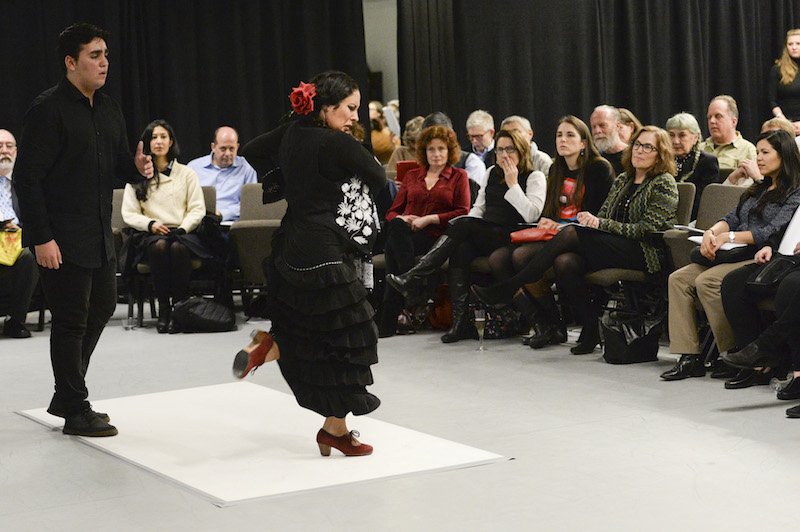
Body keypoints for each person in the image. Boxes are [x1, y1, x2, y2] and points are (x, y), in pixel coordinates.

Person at [235, 71, 386, 457]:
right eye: (350, 108)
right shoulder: (337, 143)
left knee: (317, 329)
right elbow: (378, 179)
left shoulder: (290, 134)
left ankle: (275, 349)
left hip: (289, 247)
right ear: (327, 107)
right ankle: (330, 423)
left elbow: (251, 147)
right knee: (351, 337)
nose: (355, 116)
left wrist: (284, 178)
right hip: (324, 250)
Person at [13, 23, 153, 437]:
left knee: (103, 307)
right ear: (71, 62)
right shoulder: (48, 109)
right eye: (95, 55)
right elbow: (27, 179)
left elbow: (117, 167)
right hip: (59, 235)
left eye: (106, 54)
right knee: (71, 320)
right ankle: (75, 408)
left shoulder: (109, 108)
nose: (104, 62)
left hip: (98, 231)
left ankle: (65, 394)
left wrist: (140, 169)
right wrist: (41, 238)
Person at [472, 126, 678, 355]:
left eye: (648, 147)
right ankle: (590, 327)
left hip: (643, 252)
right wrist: (591, 221)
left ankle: (508, 286)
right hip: (611, 244)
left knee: (570, 232)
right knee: (565, 262)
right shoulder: (624, 179)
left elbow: (647, 230)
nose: (639, 150)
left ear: (660, 154)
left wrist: (600, 225)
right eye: (637, 145)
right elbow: (604, 215)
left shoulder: (664, 182)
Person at [663, 130, 800, 383]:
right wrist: (712, 233)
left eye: (765, 153)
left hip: (758, 253)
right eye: (757, 152)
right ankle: (689, 356)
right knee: (678, 279)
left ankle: (730, 351)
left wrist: (731, 238)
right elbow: (731, 218)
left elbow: (773, 231)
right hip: (730, 252)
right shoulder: (757, 188)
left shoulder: (794, 192)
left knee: (709, 281)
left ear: (785, 156)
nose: (758, 158)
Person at [387, 129, 546, 343]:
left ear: (522, 151)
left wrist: (513, 183)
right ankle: (459, 322)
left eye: (510, 149)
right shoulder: (491, 172)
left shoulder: (534, 176)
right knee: (461, 247)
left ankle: (415, 275)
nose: (504, 155)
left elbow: (531, 215)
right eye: (500, 150)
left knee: (463, 225)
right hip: (486, 232)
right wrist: (465, 227)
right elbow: (478, 210)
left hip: (513, 234)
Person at [496, 116, 614, 349]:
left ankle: (589, 327)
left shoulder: (599, 168)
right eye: (559, 135)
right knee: (523, 256)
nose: (563, 140)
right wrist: (548, 221)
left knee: (564, 261)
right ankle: (553, 323)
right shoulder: (555, 168)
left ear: (583, 143)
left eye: (570, 135)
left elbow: (599, 214)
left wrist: (560, 226)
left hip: (589, 238)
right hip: (559, 240)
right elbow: (551, 210)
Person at [378, 125, 471, 337]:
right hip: (408, 236)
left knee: (393, 247)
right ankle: (412, 280)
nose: (436, 154)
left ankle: (390, 315)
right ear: (424, 152)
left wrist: (429, 219)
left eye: (441, 149)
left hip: (439, 238)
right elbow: (392, 212)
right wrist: (402, 217)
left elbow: (462, 212)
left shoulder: (459, 176)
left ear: (449, 151)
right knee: (396, 227)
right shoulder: (412, 176)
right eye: (431, 149)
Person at [121, 120, 210, 333]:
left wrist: (182, 228)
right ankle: (163, 309)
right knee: (160, 246)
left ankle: (179, 307)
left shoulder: (187, 173)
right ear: (147, 142)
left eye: (163, 137)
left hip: (182, 232)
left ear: (171, 142)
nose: (158, 141)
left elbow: (197, 209)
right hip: (150, 234)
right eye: (153, 137)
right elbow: (128, 213)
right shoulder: (137, 175)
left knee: (177, 247)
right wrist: (150, 224)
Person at [720, 211, 800, 405]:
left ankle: (783, 363)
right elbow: (787, 226)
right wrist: (769, 246)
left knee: (791, 287)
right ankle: (758, 363)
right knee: (733, 282)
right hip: (788, 257)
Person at [0, 129, 38, 338]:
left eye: (9, 146)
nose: (4, 151)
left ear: (16, 151)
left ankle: (15, 321)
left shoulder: (26, 182)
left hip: (19, 239)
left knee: (31, 255)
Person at [186, 126, 257, 223]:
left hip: (233, 224)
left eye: (232, 149)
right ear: (213, 147)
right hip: (201, 223)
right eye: (223, 149)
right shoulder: (194, 167)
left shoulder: (247, 168)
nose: (228, 153)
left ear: (237, 147)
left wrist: (222, 214)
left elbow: (250, 204)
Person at [666, 113, 721, 219]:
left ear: (695, 138)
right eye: (671, 135)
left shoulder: (707, 162)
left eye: (682, 135)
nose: (675, 141)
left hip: (691, 219)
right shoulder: (664, 160)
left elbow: (705, 203)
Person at [421, 112, 486, 188]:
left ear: (451, 136)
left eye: (441, 147)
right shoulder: (418, 167)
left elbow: (472, 196)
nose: (436, 154)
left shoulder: (472, 163)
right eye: (431, 147)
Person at [698, 95, 757, 173]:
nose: (712, 121)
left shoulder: (748, 150)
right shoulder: (699, 149)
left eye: (718, 116)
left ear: (733, 122)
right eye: (709, 117)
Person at [769, 29, 800, 135]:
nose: (794, 47)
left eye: (798, 43)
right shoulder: (777, 69)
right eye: (790, 44)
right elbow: (772, 101)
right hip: (783, 125)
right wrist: (784, 122)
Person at [590, 105, 628, 176]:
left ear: (617, 126)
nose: (597, 131)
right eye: (593, 127)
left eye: (602, 125)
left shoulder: (632, 156)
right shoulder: (593, 159)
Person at [386, 116, 424, 181]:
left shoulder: (431, 153)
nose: (415, 145)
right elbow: (388, 176)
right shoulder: (401, 152)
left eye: (419, 141)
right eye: (412, 141)